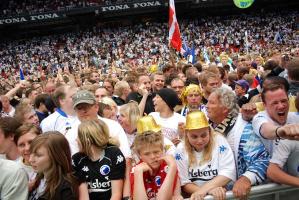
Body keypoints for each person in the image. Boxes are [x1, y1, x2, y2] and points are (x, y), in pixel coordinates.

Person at [207, 88, 270, 199]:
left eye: (211, 103)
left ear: (225, 109)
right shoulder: (209, 127)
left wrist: (246, 178)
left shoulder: (244, 129)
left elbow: (261, 160)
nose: (206, 106)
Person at [175, 111, 236, 200]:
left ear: (209, 131)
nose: (200, 141)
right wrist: (208, 191)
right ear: (186, 134)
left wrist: (203, 191)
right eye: (194, 137)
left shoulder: (219, 141)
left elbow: (228, 172)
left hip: (219, 195)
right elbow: (184, 183)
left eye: (204, 135)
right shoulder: (181, 149)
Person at [72, 119, 126, 200]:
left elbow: (116, 194)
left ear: (88, 140)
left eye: (79, 136)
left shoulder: (113, 153)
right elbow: (84, 197)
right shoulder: (77, 159)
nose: (76, 140)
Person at [130, 131, 182, 200]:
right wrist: (138, 172)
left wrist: (172, 167)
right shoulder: (136, 170)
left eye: (156, 152)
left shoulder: (169, 166)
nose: (152, 157)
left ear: (162, 151)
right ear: (140, 155)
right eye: (147, 154)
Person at [29, 132, 79, 200]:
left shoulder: (66, 189)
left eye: (38, 155)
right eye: (31, 153)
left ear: (56, 157)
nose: (30, 160)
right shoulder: (36, 179)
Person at [15, 124, 42, 190]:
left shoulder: (53, 163)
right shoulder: (14, 171)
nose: (27, 148)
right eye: (21, 145)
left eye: (31, 142)